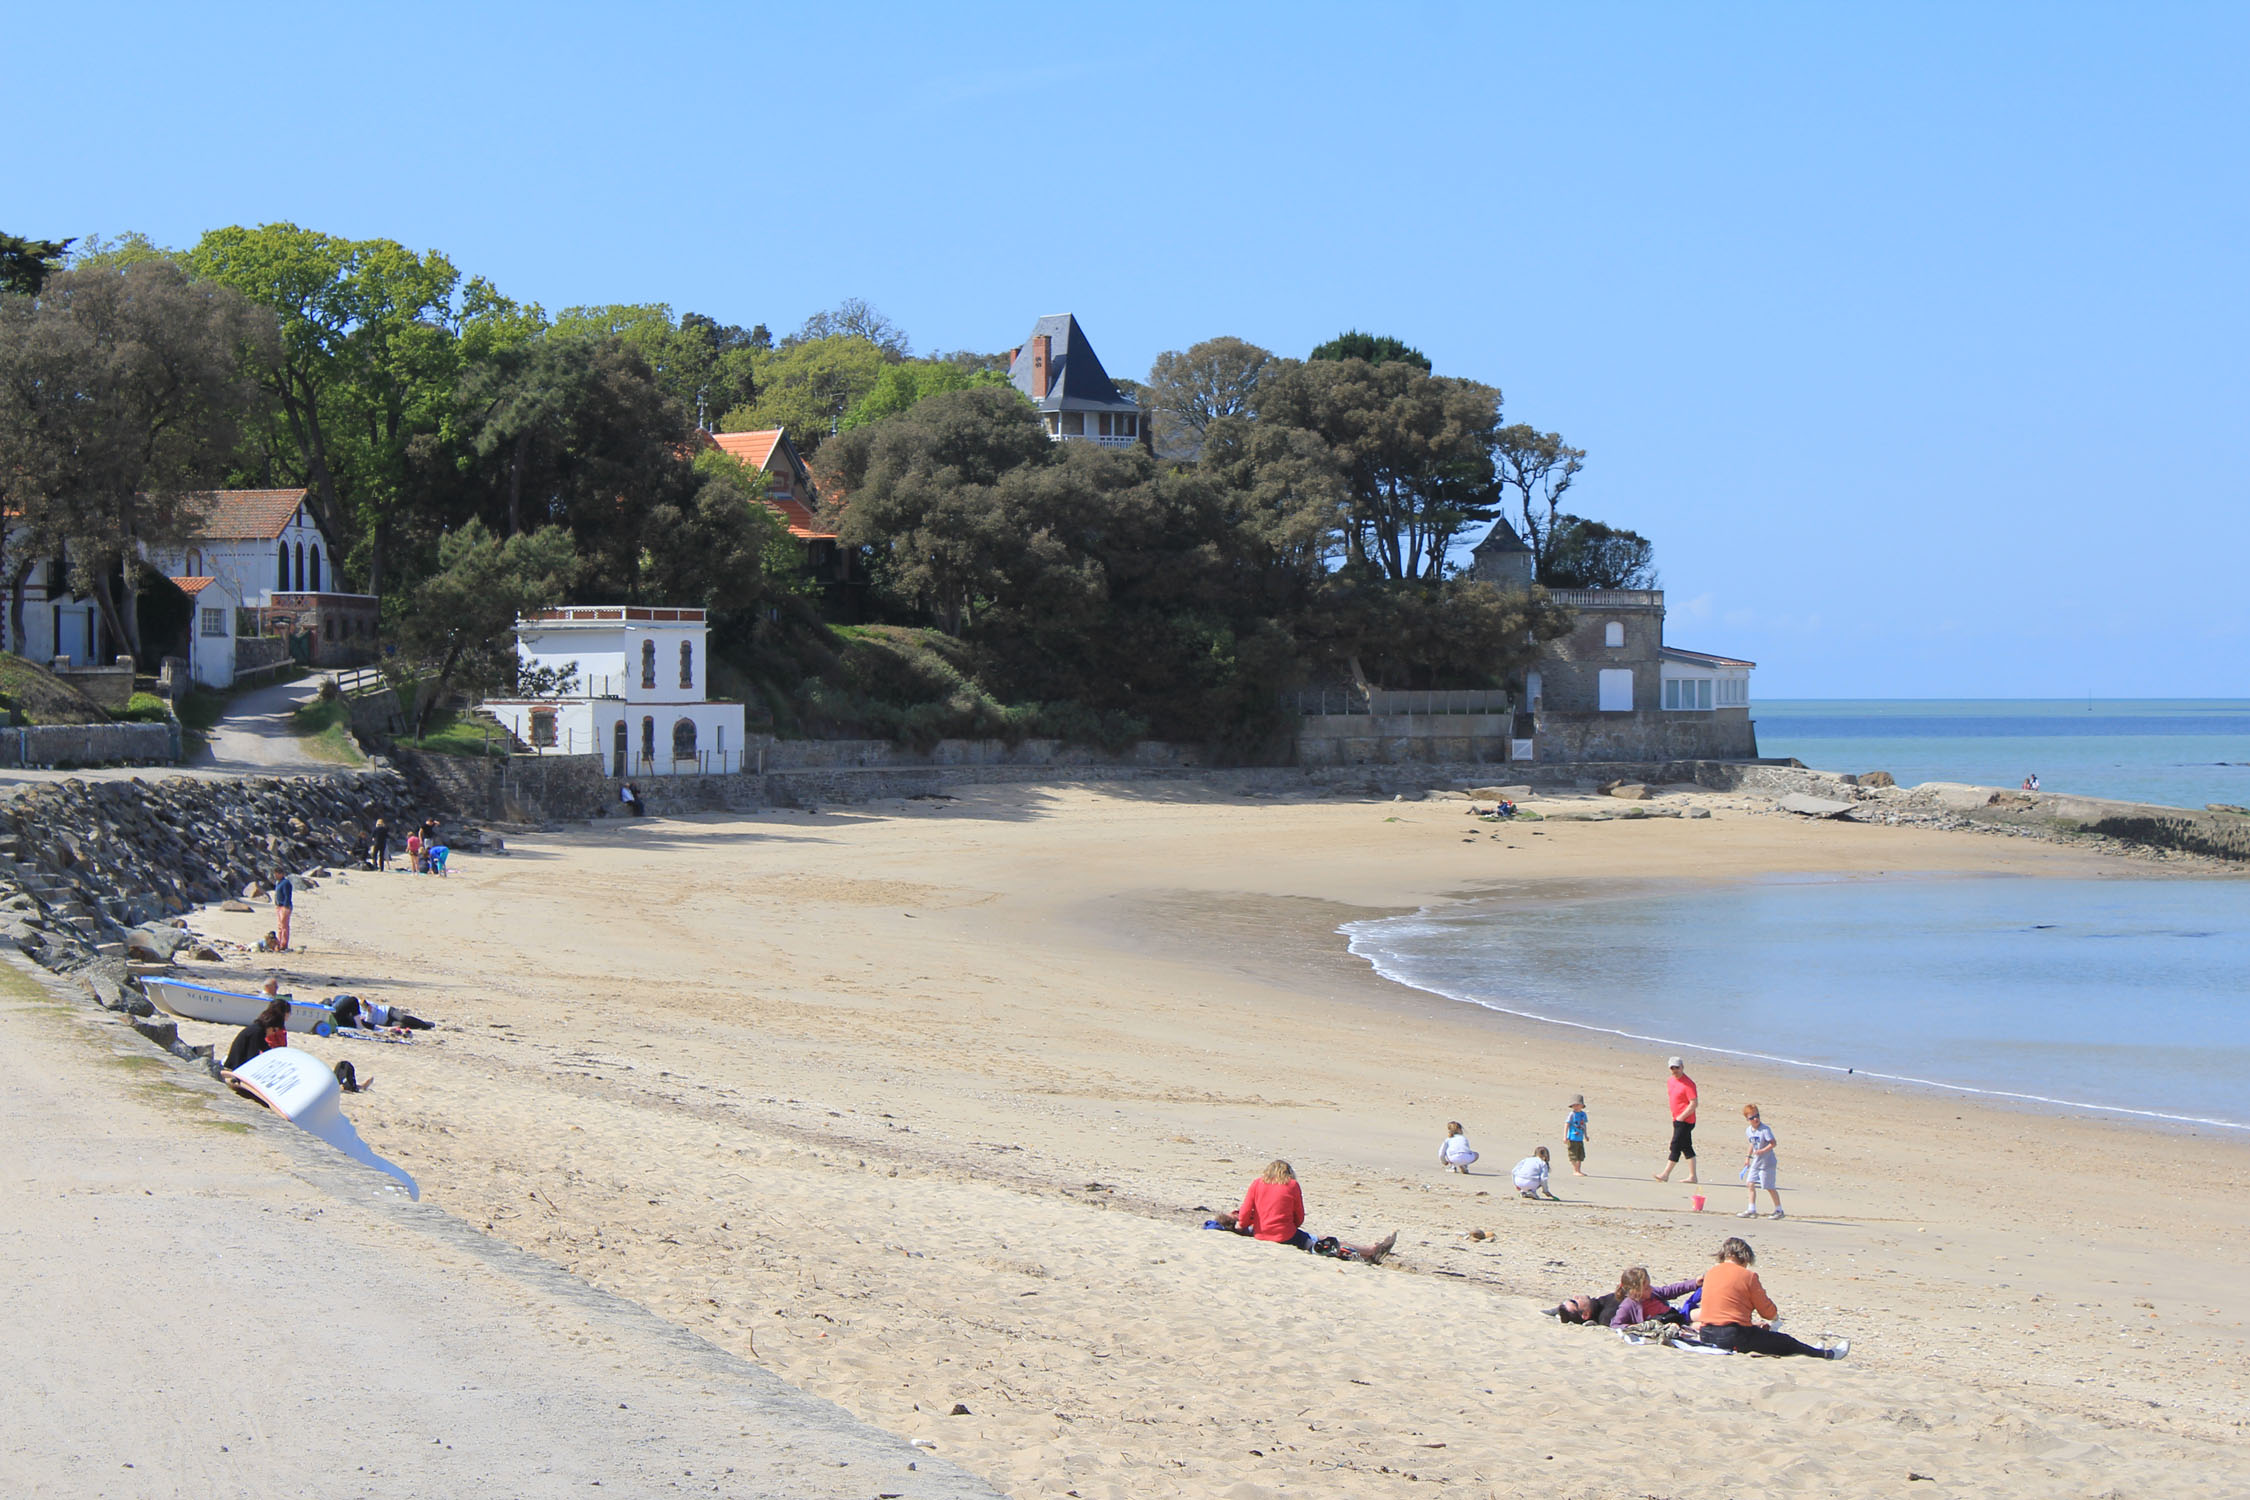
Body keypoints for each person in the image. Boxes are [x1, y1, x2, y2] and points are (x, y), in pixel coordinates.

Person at [1692, 1237, 1847, 1358]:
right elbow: (1766, 1311)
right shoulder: (1748, 1276)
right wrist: (1774, 1316)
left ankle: (1812, 1350)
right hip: (1733, 1336)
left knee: (1763, 1335)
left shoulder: (1710, 1273)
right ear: (1745, 1258)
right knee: (1785, 1342)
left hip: (1706, 1334)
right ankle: (1826, 1355)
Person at [1236, 1160, 1312, 1247]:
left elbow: (1246, 1209)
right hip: (1285, 1235)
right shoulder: (1292, 1185)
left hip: (1260, 1234)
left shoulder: (1257, 1183)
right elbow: (1299, 1215)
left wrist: (1242, 1224)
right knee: (1308, 1240)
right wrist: (1294, 1225)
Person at [1609, 1266, 1704, 1329]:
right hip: (1668, 1326)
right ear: (1635, 1292)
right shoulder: (1628, 1305)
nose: (1650, 1289)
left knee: (1703, 1314)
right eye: (1646, 1288)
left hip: (1676, 1316)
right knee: (1701, 1326)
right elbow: (1615, 1325)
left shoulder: (1653, 1293)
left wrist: (1694, 1283)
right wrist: (1637, 1327)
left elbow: (1672, 1290)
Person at [1654, 1056, 1699, 1183]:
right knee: (1686, 1147)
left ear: (1682, 1067)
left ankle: (1665, 1174)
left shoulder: (1689, 1084)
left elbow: (1694, 1103)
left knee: (1675, 1145)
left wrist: (1682, 1116)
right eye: (1672, 1068)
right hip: (1676, 1119)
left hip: (1686, 1121)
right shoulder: (1670, 1081)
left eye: (1677, 1068)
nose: (1675, 1070)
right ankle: (1693, 1176)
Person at [223, 995, 293, 1072]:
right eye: (274, 1031)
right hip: (235, 1068)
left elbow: (266, 1049)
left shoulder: (259, 1029)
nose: (273, 1034)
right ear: (270, 1026)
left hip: (237, 1064)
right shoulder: (257, 1032)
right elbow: (251, 1057)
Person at [1738, 1103, 1783, 1218]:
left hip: (1767, 1163)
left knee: (1768, 1186)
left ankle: (1779, 1210)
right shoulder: (1748, 1131)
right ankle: (1751, 1209)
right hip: (1756, 1162)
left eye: (1757, 1116)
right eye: (1752, 1118)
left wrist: (1762, 1151)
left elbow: (1773, 1143)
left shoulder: (1765, 1130)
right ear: (1747, 1119)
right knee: (1750, 1183)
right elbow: (1752, 1144)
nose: (1756, 1119)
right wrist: (1747, 1158)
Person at [330, 995, 435, 1031]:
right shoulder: (356, 1017)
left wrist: (369, 1009)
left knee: (403, 1018)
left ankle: (424, 1024)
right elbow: (370, 1023)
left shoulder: (358, 1005)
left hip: (386, 1011)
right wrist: (369, 1014)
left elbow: (374, 1006)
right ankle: (420, 1026)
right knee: (402, 1025)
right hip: (384, 1022)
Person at [1564, 1094, 1590, 1176]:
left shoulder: (1583, 1114)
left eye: (1578, 1105)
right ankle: (1575, 1170)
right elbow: (1567, 1124)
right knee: (1573, 1154)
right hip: (1572, 1137)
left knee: (1580, 1155)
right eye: (1574, 1105)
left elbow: (1584, 1125)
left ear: (1582, 1105)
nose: (1576, 1107)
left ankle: (1578, 1170)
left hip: (1580, 1138)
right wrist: (1565, 1136)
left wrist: (1586, 1135)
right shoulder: (1571, 1114)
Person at [272, 873, 294, 952]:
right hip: (279, 906)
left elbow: (287, 895)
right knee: (280, 926)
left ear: (280, 874)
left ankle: (284, 944)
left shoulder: (286, 883)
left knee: (284, 926)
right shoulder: (278, 883)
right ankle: (279, 942)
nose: (275, 876)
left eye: (276, 874)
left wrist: (286, 906)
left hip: (284, 906)